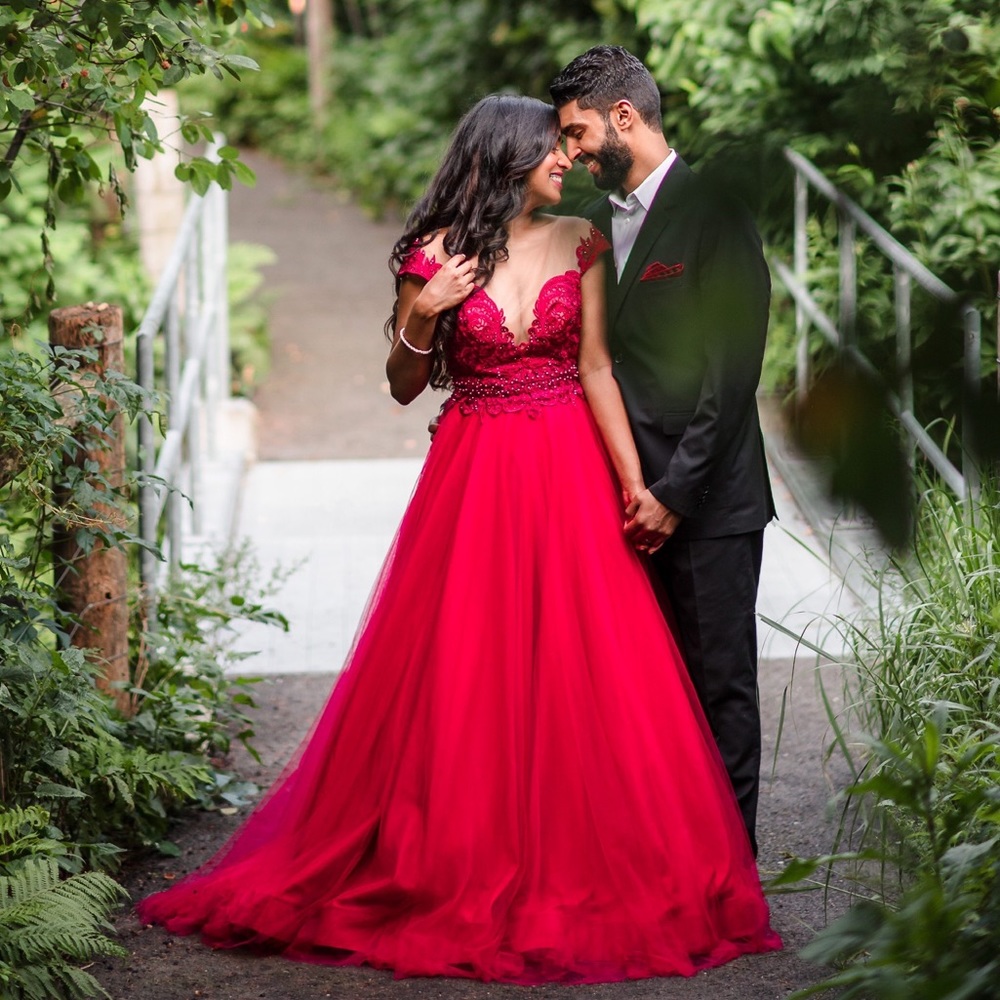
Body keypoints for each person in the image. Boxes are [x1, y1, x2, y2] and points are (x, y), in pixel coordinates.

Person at [137, 94, 780, 984]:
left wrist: (638, 485)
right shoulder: (431, 254)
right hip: (475, 476)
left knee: (585, 667)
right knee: (470, 666)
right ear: (506, 156)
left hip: (570, 469)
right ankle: (458, 850)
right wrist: (426, 312)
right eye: (551, 148)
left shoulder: (581, 241)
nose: (565, 161)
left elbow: (595, 367)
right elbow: (403, 383)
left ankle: (606, 854)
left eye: (568, 144)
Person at [550, 46, 777, 857]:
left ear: (624, 117)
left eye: (579, 133)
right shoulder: (589, 220)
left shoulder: (716, 215)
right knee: (645, 692)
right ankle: (663, 861)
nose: (573, 152)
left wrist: (674, 494)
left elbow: (731, 376)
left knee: (719, 688)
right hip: (621, 498)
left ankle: (731, 867)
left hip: (708, 502)